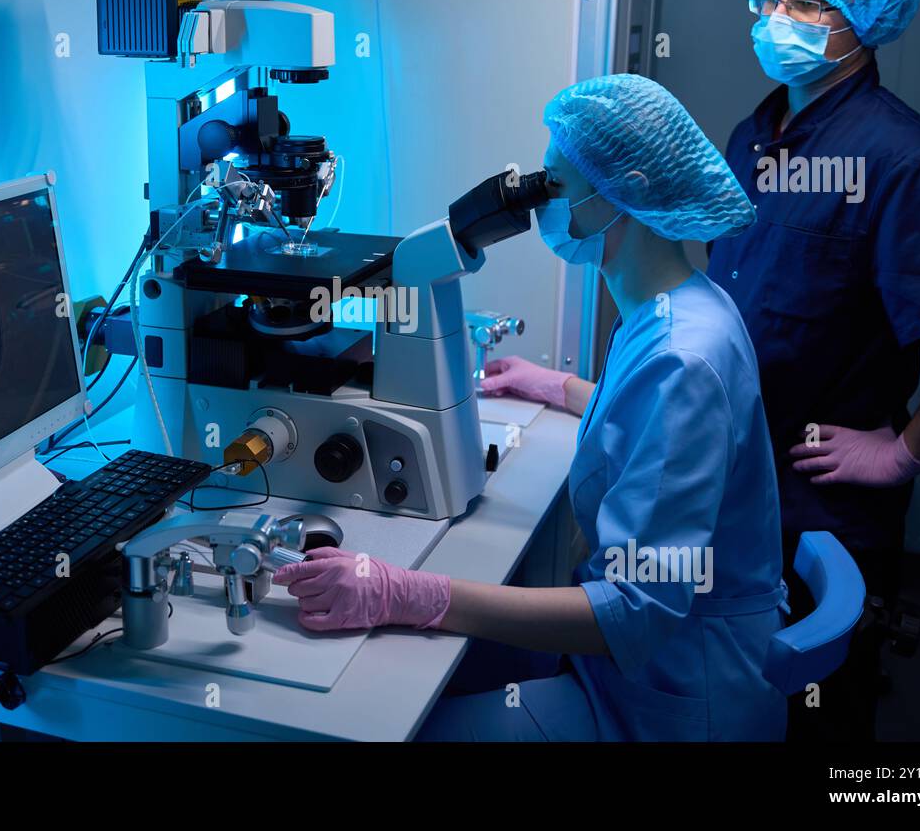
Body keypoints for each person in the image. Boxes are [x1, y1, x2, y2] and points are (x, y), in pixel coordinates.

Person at [275, 74, 788, 741]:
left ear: (622, 189)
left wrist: (410, 593)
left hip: (674, 697)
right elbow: (646, 433)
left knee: (394, 722)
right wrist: (557, 388)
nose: (538, 205)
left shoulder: (681, 359)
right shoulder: (681, 307)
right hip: (652, 662)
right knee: (416, 673)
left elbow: (636, 611)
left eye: (552, 185)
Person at [705, 0, 920, 740]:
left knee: (816, 706)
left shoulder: (907, 160)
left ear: (868, 20)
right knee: (733, 692)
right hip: (735, 477)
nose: (778, 19)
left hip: (820, 502)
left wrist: (905, 451)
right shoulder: (756, 133)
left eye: (808, 4)